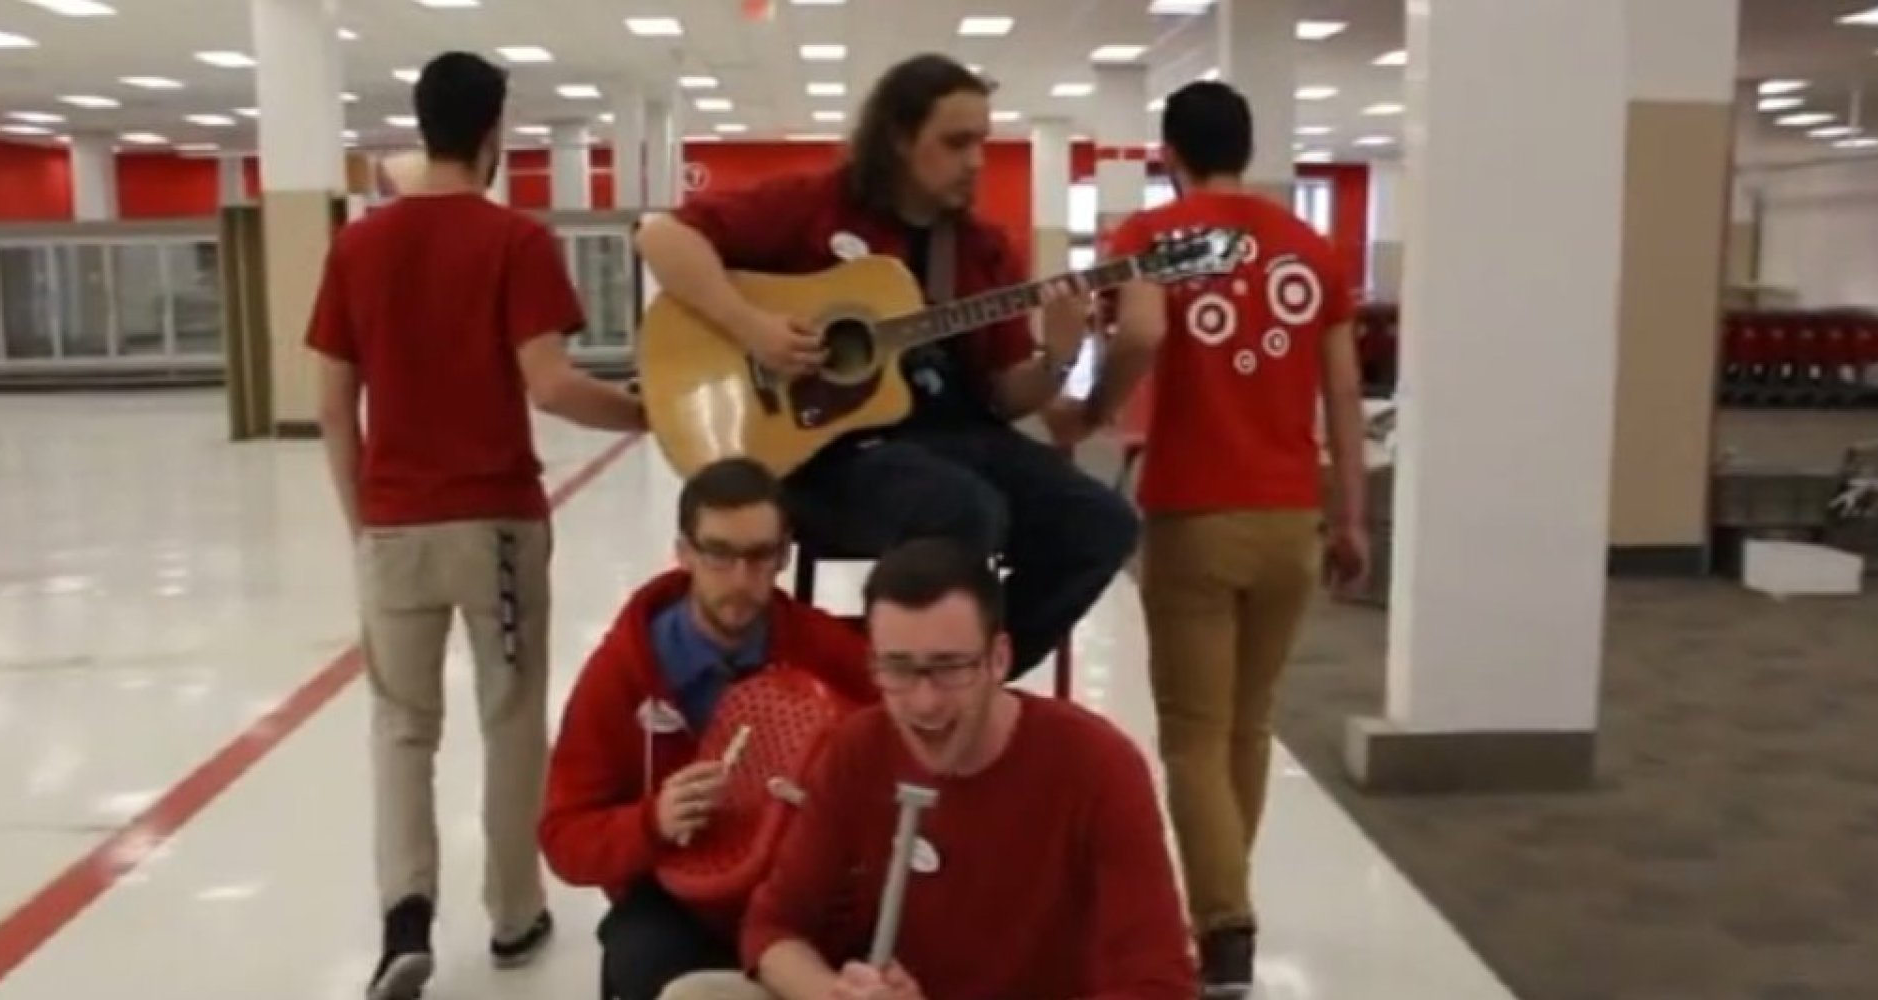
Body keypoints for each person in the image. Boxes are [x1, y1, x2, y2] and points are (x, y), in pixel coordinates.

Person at [304, 50, 646, 1000]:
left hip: (394, 530)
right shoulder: (514, 241)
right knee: (510, 719)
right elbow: (553, 385)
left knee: (400, 728)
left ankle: (405, 918)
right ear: (495, 131)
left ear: (422, 127)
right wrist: (646, 413)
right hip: (496, 526)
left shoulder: (357, 247)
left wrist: (364, 523)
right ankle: (513, 913)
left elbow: (332, 406)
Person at [633, 53, 1138, 682]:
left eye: (981, 142)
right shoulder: (816, 205)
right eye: (955, 142)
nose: (976, 161)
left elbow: (1003, 396)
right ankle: (886, 677)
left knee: (1101, 522)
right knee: (965, 512)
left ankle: (969, 673)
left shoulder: (981, 249)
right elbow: (661, 237)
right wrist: (752, 328)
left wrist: (1058, 358)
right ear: (899, 136)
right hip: (826, 455)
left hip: (955, 439)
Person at [1050, 80, 1372, 994]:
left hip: (1195, 514)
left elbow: (1141, 333)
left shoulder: (1152, 237)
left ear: (1169, 154)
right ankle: (1221, 903)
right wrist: (1352, 516)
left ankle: (1225, 930)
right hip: (1291, 518)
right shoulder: (1312, 248)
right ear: (1249, 147)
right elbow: (1344, 395)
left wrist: (1092, 411)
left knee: (1194, 734)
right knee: (1248, 723)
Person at [659, 537, 1197, 1000]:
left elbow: (1159, 984)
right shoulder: (859, 749)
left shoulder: (1097, 766)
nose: (924, 703)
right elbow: (774, 926)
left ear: (999, 659)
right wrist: (835, 994)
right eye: (898, 669)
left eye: (949, 667)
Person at [539, 457, 881, 1000]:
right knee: (644, 963)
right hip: (677, 901)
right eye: (719, 554)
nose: (741, 581)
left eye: (760, 556)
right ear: (684, 552)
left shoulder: (823, 648)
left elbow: (911, 750)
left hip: (800, 890)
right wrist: (651, 821)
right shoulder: (624, 673)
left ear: (785, 555)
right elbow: (563, 838)